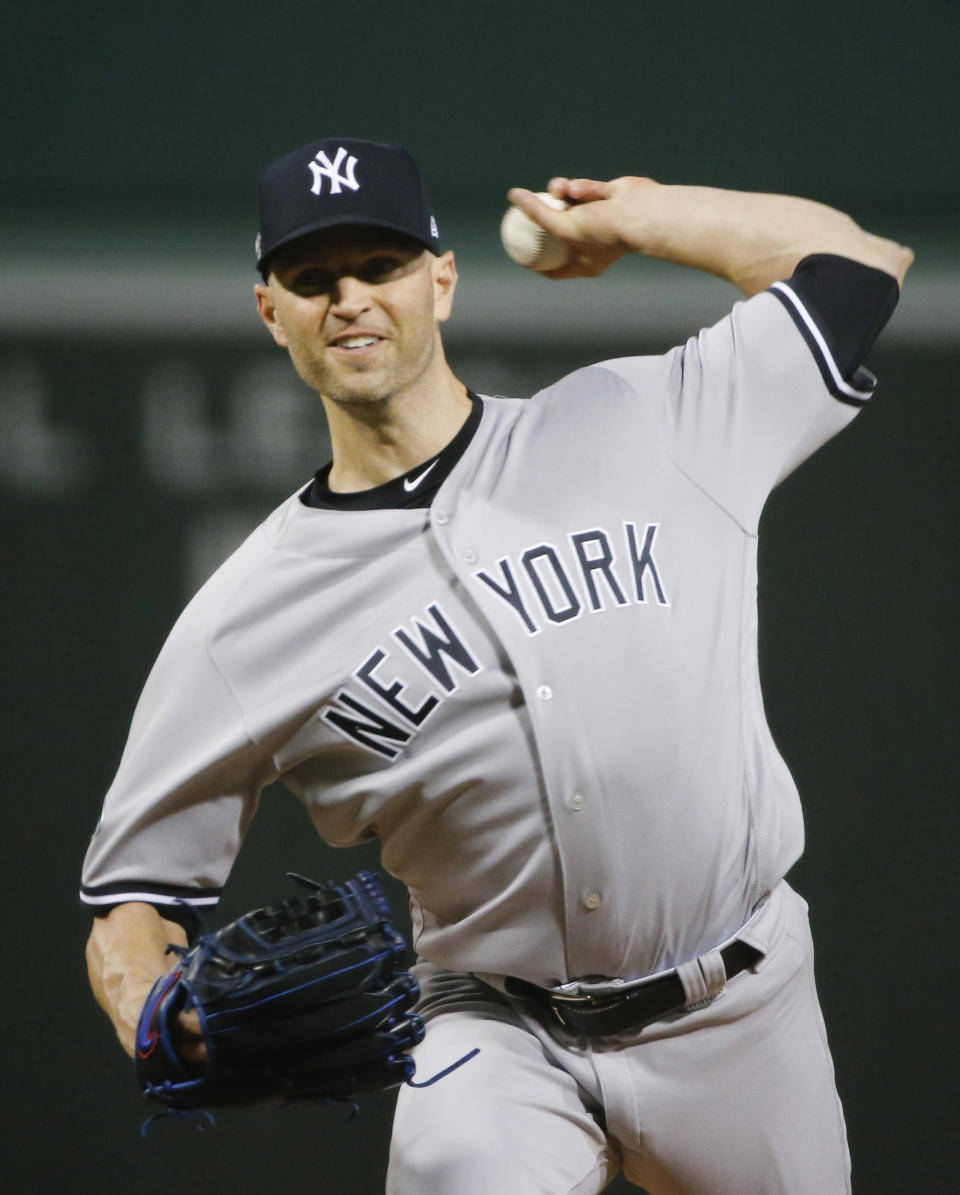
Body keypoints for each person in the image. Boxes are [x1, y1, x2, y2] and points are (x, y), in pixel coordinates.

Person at [82, 136, 912, 1194]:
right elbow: (133, 901)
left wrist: (636, 218)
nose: (350, 298)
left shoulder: (650, 423)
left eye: (379, 265)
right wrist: (153, 1009)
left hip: (743, 1008)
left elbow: (859, 261)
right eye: (312, 278)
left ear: (442, 278)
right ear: (271, 312)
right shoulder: (242, 620)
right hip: (491, 1032)